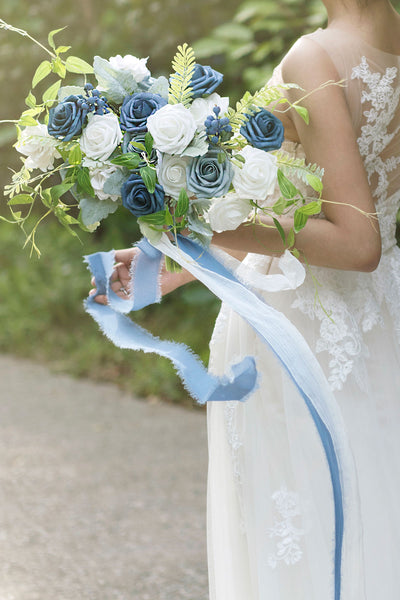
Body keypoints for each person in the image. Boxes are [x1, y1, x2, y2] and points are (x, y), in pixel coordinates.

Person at [92, 0, 400, 597]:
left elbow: (358, 241)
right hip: (381, 320)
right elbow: (300, 206)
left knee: (308, 533)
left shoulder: (315, 56)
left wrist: (205, 227)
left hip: (301, 336)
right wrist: (172, 264)